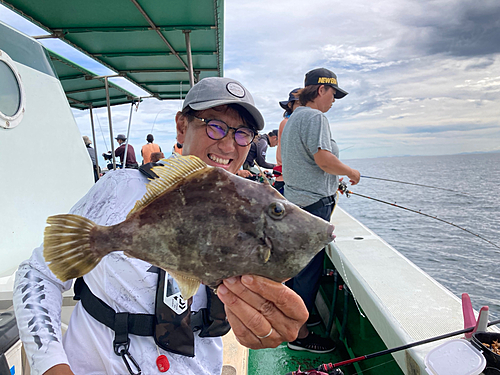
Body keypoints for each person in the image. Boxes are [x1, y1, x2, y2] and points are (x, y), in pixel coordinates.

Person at [13, 77, 308, 375]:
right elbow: (38, 275)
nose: (229, 144)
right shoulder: (119, 189)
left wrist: (264, 320)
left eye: (243, 134)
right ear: (182, 126)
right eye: (215, 125)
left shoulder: (251, 212)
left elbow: (258, 301)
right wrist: (52, 365)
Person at [281, 68, 361, 354]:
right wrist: (351, 172)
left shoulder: (292, 118)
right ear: (321, 90)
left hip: (296, 202)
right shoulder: (316, 117)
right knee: (308, 271)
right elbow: (323, 159)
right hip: (314, 205)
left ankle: (297, 317)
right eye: (333, 94)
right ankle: (298, 335)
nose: (334, 101)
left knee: (300, 267)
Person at [274, 88, 301, 194]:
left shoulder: (293, 122)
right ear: (290, 105)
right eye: (300, 104)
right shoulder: (287, 123)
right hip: (287, 183)